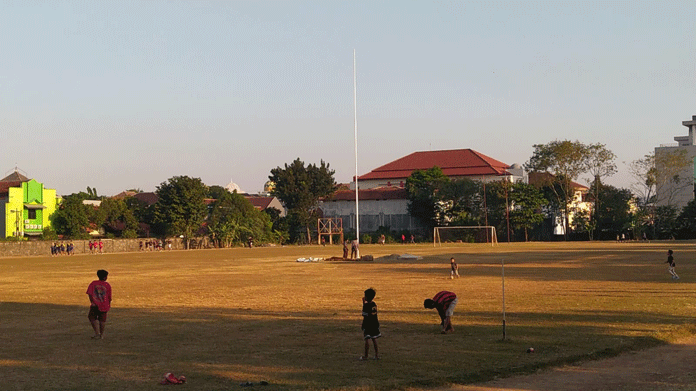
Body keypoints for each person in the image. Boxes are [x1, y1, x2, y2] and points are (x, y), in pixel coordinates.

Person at [86, 269, 112, 339]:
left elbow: (90, 293)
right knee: (102, 320)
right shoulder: (107, 285)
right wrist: (108, 304)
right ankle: (101, 334)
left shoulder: (93, 283)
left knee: (92, 317)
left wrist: (92, 302)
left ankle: (97, 333)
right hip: (104, 305)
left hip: (95, 304)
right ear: (105, 277)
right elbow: (109, 296)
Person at [360, 287, 380, 360]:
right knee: (374, 339)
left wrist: (363, 304)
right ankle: (376, 355)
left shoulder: (366, 305)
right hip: (374, 324)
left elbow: (364, 314)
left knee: (367, 339)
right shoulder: (374, 304)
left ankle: (366, 356)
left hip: (368, 324)